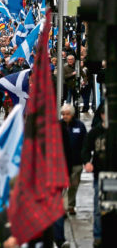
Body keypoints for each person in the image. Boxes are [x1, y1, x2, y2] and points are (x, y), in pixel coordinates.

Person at [82, 109, 108, 247]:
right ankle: (98, 236)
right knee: (98, 207)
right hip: (99, 174)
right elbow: (85, 148)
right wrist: (87, 162)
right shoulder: (95, 132)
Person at [59, 103, 87, 215]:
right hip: (62, 162)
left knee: (73, 185)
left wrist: (84, 159)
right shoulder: (58, 126)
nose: (65, 116)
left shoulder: (79, 126)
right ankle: (61, 207)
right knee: (61, 186)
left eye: (67, 114)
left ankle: (70, 205)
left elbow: (85, 143)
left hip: (76, 161)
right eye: (63, 114)